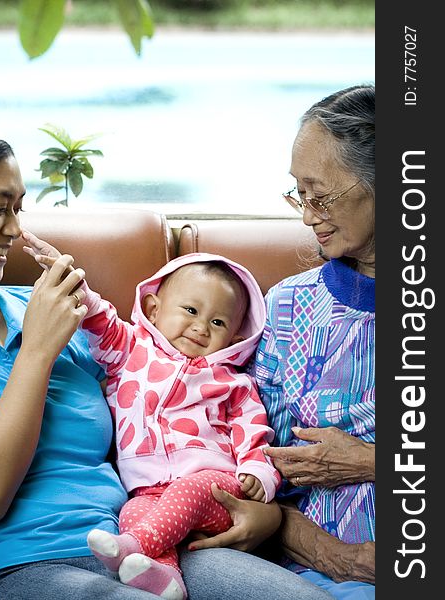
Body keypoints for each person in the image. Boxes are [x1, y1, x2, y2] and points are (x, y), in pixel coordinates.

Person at [0, 120, 333, 600]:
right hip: (23, 559)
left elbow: (153, 383)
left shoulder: (45, 305)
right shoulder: (46, 322)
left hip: (159, 541)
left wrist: (267, 512)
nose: (17, 230)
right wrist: (37, 350)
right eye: (0, 208)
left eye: (20, 209)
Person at [189, 84, 375, 600]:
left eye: (323, 194)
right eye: (300, 192)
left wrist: (370, 460)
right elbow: (251, 455)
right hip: (301, 565)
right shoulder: (290, 306)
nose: (307, 213)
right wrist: (326, 552)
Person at [23, 232, 282, 600]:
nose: (200, 327)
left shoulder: (231, 382)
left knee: (183, 494)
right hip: (148, 490)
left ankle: (135, 544)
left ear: (235, 336)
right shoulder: (131, 351)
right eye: (191, 311)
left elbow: (252, 431)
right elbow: (99, 318)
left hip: (214, 487)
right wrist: (72, 283)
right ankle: (166, 579)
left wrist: (257, 473)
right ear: (154, 308)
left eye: (218, 323)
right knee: (132, 511)